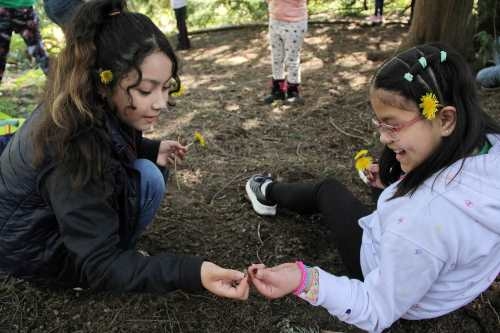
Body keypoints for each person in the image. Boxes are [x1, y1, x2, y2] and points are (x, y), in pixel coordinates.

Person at [0, 0, 249, 300]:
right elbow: (99, 264)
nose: (160, 103)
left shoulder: (82, 98)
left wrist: (150, 147)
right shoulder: (74, 148)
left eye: (167, 87)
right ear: (105, 81)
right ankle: (103, 267)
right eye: (146, 90)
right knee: (149, 180)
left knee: (148, 170)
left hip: (37, 229)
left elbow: (113, 138)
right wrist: (194, 272)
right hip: (37, 254)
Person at [245, 43, 500, 332]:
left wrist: (303, 279)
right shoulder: (489, 148)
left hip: (395, 286)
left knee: (327, 191)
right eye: (379, 123)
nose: (382, 137)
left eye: (392, 125)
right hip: (448, 289)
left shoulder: (421, 221)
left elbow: (376, 309)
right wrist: (394, 182)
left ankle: (265, 192)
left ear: (444, 119)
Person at [263, 0, 308, 105]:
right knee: (276, 58)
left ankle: (293, 92)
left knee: (292, 59)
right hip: (275, 20)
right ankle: (279, 91)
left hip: (295, 22)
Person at [0, 0, 50, 84]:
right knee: (40, 52)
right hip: (19, 10)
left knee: (39, 52)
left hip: (22, 9)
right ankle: (63, 86)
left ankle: (63, 86)